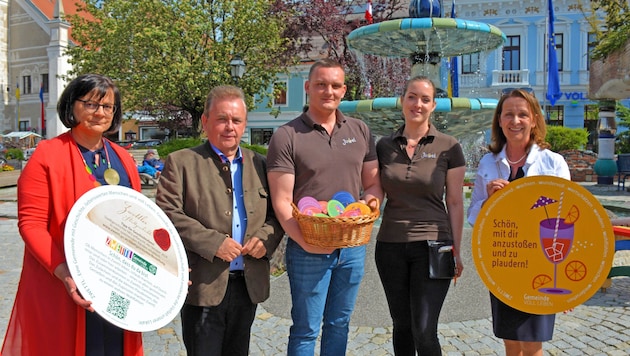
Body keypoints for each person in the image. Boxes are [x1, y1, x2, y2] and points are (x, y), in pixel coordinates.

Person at [1, 74, 143, 355]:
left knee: (114, 347)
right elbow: (31, 224)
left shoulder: (123, 158)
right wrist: (66, 273)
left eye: (108, 106)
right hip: (66, 283)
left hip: (117, 282)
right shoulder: (47, 154)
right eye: (91, 104)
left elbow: (138, 223)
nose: (100, 112)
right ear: (72, 105)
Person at [155, 85, 284, 356]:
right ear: (205, 121)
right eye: (221, 119)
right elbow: (167, 213)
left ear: (245, 124)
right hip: (203, 283)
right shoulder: (182, 163)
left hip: (248, 283)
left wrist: (266, 238)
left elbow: (278, 213)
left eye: (236, 120)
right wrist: (214, 243)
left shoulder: (261, 164)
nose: (229, 127)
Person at [266, 58, 383, 355]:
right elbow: (282, 200)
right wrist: (305, 242)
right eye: (320, 84)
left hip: (351, 248)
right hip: (307, 249)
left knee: (339, 324)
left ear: (344, 90)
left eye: (334, 85)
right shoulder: (287, 135)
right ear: (308, 88)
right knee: (305, 329)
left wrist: (370, 204)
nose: (327, 91)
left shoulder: (360, 130)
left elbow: (372, 185)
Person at [467, 89, 571, 356]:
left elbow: (568, 217)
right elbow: (473, 216)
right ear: (499, 120)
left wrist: (567, 280)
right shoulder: (489, 162)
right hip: (505, 258)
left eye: (523, 114)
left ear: (534, 119)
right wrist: (488, 200)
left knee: (532, 342)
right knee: (511, 340)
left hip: (541, 262)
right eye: (509, 114)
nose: (516, 121)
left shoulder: (553, 163)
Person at [374, 76, 465, 355]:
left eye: (425, 99)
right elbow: (376, 194)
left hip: (434, 246)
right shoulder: (384, 146)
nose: (418, 104)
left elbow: (455, 201)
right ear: (402, 101)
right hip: (390, 245)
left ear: (433, 105)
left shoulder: (449, 146)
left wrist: (457, 252)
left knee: (424, 329)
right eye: (412, 97)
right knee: (402, 325)